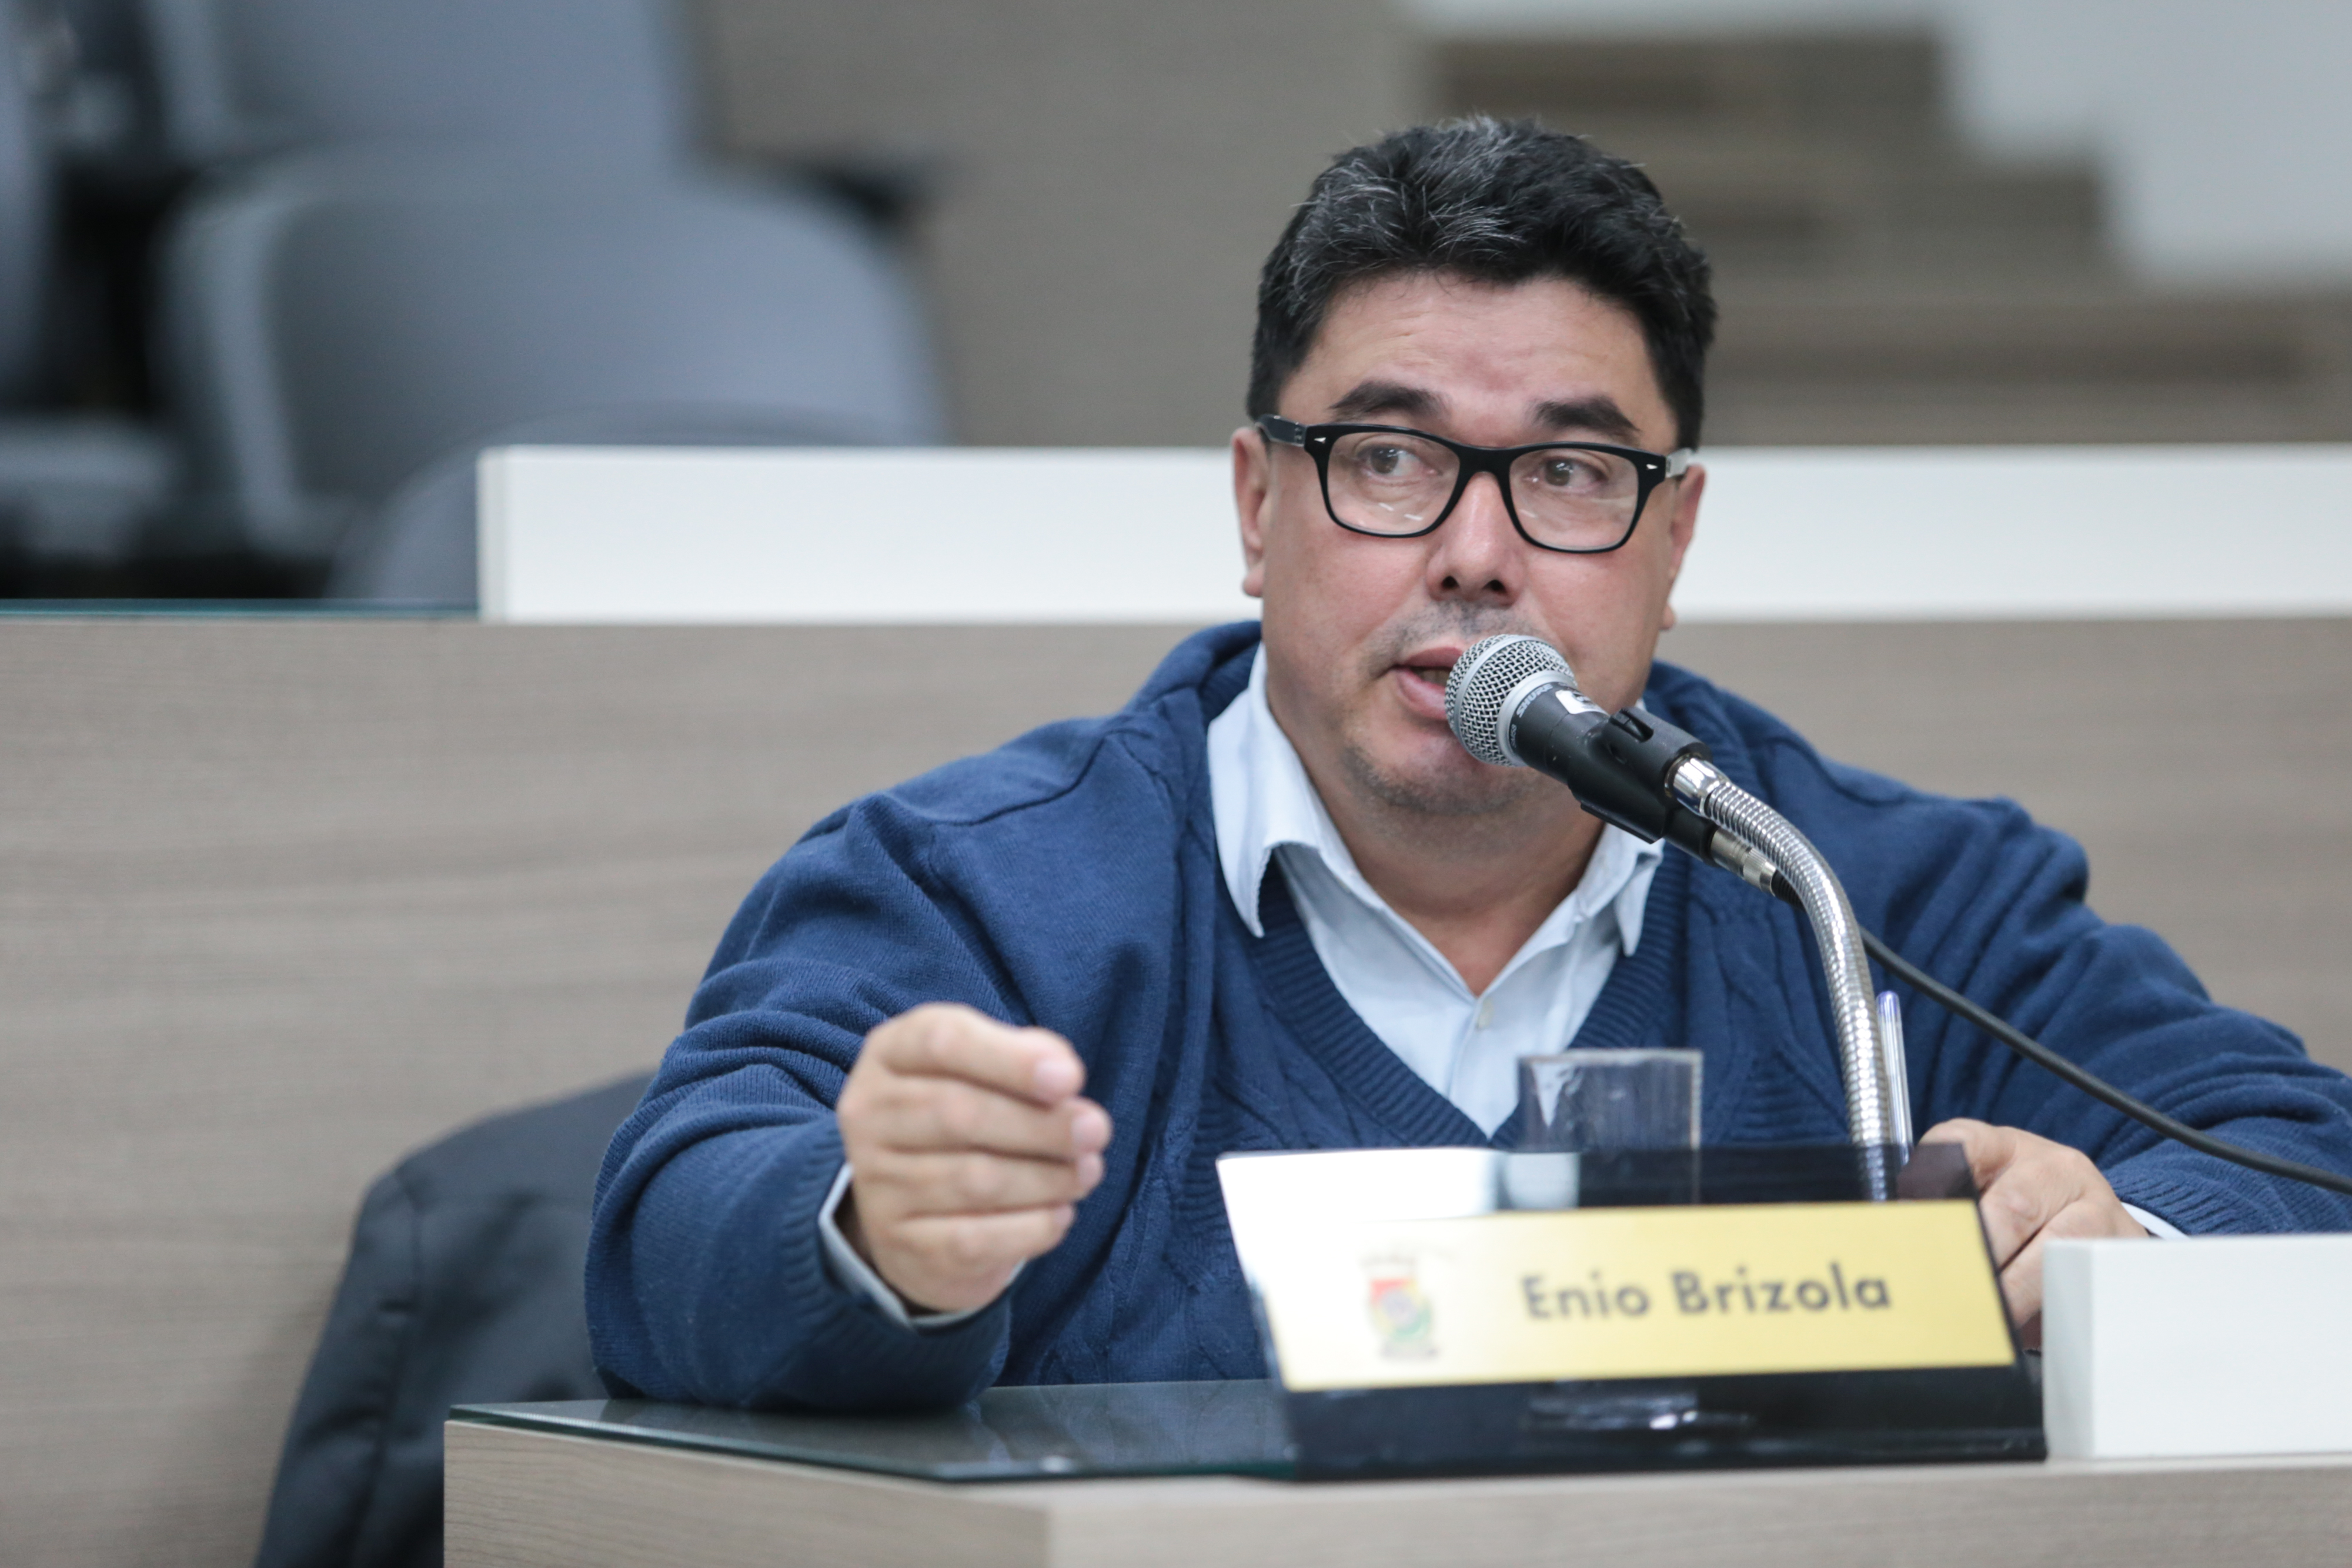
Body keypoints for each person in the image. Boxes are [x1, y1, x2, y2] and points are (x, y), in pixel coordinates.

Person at [586, 119, 2352, 1412]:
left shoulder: (1873, 895)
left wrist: (2127, 1249)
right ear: (1259, 510)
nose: (1478, 556)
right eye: (1388, 459)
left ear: (1672, 542)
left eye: (1570, 475)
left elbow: (2298, 1158)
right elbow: (669, 1226)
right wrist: (874, 1228)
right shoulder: (981, 889)